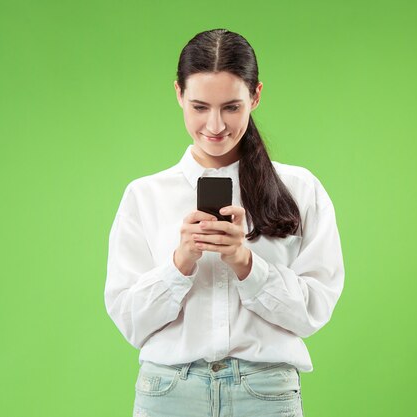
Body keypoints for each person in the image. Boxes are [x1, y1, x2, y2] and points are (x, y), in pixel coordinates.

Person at [104, 28, 344, 417]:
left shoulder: (299, 189)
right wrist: (180, 262)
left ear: (256, 95)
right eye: (199, 107)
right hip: (169, 392)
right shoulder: (144, 196)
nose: (215, 125)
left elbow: (314, 310)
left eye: (231, 107)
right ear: (179, 94)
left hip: (265, 392)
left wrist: (246, 264)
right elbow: (131, 321)